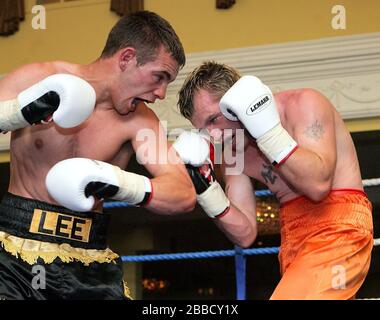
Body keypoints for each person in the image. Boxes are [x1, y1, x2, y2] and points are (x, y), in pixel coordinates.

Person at [0, 11, 196, 300]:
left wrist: (121, 184)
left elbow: (183, 193)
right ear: (126, 58)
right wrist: (20, 112)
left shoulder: (141, 121)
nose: (161, 93)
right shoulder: (38, 79)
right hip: (15, 254)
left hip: (90, 264)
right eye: (159, 77)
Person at [175, 61, 373, 299]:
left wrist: (266, 132)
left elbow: (318, 186)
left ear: (234, 102)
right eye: (204, 129)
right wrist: (205, 188)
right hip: (292, 239)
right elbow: (245, 234)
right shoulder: (234, 154)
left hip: (338, 228)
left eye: (214, 119)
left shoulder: (303, 104)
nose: (213, 135)